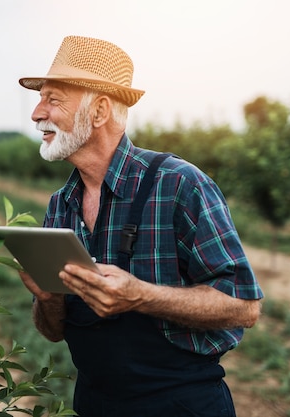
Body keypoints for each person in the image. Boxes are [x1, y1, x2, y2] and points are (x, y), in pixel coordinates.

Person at [17, 35, 264, 417]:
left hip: (180, 405)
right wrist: (47, 298)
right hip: (95, 404)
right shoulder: (60, 206)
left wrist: (142, 296)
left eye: (53, 99)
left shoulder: (179, 184)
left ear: (98, 112)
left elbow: (244, 306)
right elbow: (53, 331)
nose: (36, 113)